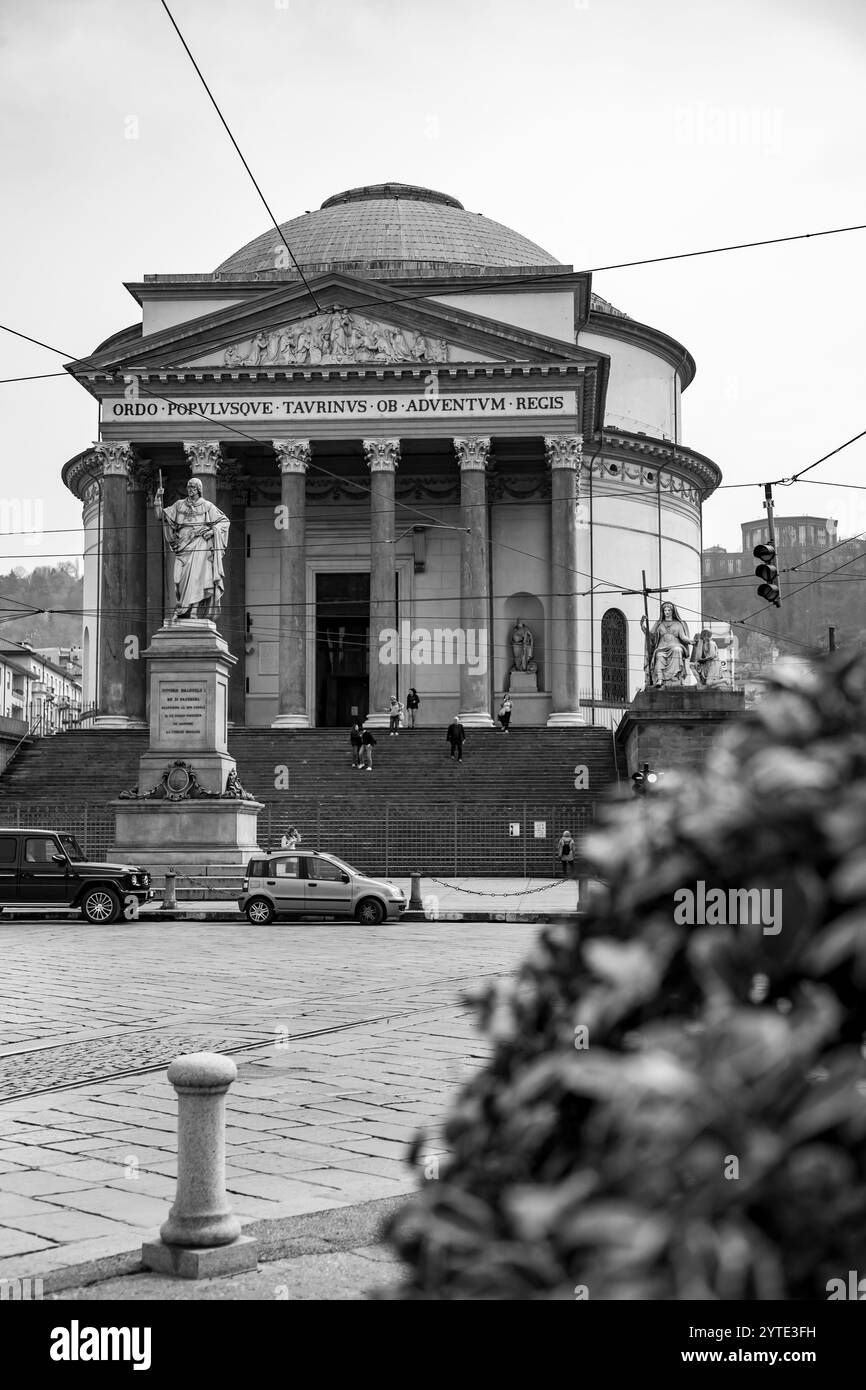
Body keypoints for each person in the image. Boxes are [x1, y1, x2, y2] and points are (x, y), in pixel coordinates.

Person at [154, 476, 230, 620]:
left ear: (199, 490)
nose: (190, 490)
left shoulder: (207, 506)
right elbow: (161, 516)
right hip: (181, 546)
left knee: (196, 578)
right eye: (189, 487)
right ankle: (182, 607)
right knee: (178, 581)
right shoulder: (179, 505)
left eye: (193, 488)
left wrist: (211, 531)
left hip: (199, 544)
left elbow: (224, 522)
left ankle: (193, 612)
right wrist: (158, 498)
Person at [640, 602, 691, 687]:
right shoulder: (659, 623)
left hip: (675, 645)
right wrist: (642, 625)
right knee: (659, 655)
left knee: (677, 650)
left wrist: (691, 641)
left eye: (669, 610)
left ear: (672, 611)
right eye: (665, 610)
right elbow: (651, 636)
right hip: (661, 647)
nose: (666, 612)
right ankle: (660, 680)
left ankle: (675, 677)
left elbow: (683, 637)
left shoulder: (678, 624)